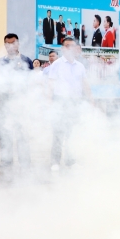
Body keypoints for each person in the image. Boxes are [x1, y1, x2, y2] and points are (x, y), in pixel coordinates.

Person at [47, 37, 91, 172]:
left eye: (72, 46)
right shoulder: (57, 64)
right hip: (60, 102)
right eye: (66, 46)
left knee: (72, 134)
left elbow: (84, 85)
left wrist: (91, 101)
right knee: (58, 133)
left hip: (75, 103)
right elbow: (50, 84)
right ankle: (55, 161)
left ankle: (71, 161)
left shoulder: (80, 66)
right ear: (62, 48)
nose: (69, 48)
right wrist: (49, 103)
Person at [0, 34, 34, 173]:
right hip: (4, 105)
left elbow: (31, 83)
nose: (10, 46)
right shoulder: (0, 62)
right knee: (4, 135)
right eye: (7, 43)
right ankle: (6, 163)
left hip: (20, 105)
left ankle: (25, 164)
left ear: (18, 44)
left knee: (22, 135)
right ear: (4, 45)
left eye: (13, 43)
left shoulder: (26, 60)